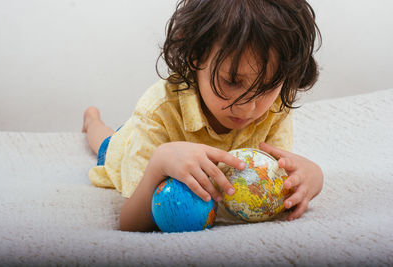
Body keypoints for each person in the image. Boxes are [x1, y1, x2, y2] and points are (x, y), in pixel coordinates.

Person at [83, 0, 324, 232]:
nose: (248, 108)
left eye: (267, 87)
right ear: (195, 54)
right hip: (131, 144)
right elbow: (129, 223)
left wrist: (314, 177)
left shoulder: (275, 107)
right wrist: (159, 163)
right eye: (232, 81)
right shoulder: (157, 112)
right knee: (107, 143)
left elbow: (273, 183)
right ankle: (92, 120)